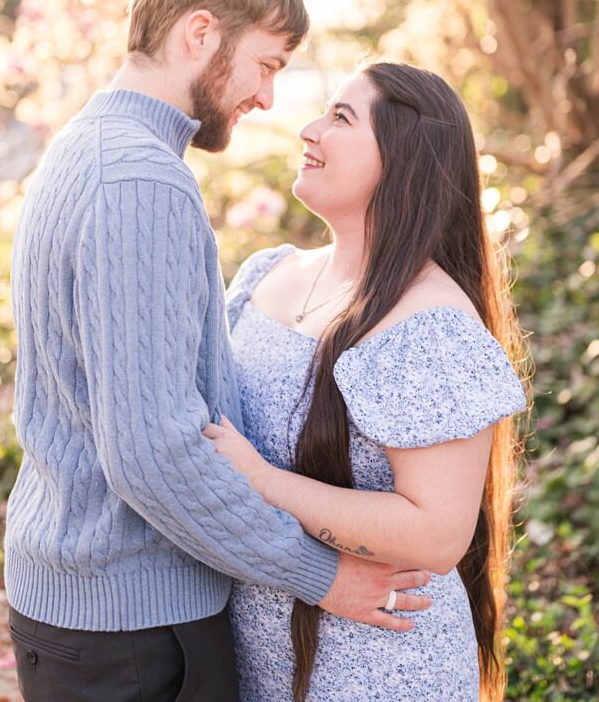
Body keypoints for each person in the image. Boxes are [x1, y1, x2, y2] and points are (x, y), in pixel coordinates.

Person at [3, 0, 431, 702]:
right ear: (199, 33)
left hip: (78, 607)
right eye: (266, 64)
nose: (267, 97)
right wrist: (321, 575)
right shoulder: (143, 180)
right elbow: (152, 452)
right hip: (134, 629)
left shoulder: (85, 147)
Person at [204, 61, 528, 702]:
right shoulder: (268, 275)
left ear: (403, 160)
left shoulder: (429, 323)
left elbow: (436, 534)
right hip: (253, 660)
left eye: (341, 118)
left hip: (382, 670)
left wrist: (263, 482)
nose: (309, 130)